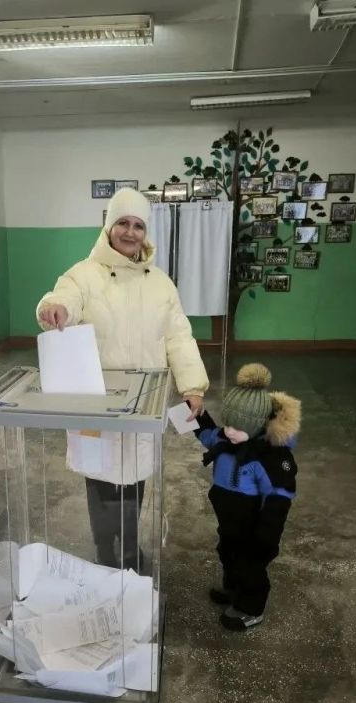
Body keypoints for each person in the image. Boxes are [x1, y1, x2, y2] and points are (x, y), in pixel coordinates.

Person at [37, 188, 209, 570]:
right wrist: (54, 309)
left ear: (145, 232)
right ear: (108, 226)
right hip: (96, 404)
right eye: (122, 223)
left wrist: (192, 386)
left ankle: (130, 550)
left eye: (138, 225)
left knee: (134, 481)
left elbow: (178, 335)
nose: (130, 233)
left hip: (142, 403)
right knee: (98, 483)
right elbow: (63, 298)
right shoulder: (82, 274)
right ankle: (104, 550)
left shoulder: (160, 283)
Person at [194, 363, 301, 631]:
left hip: (255, 527)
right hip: (229, 518)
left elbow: (279, 495)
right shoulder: (227, 439)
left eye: (237, 427)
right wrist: (194, 412)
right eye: (227, 423)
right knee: (227, 553)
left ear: (257, 425)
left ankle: (250, 608)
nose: (229, 431)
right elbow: (208, 433)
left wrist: (267, 536)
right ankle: (233, 590)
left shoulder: (270, 457)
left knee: (250, 566)